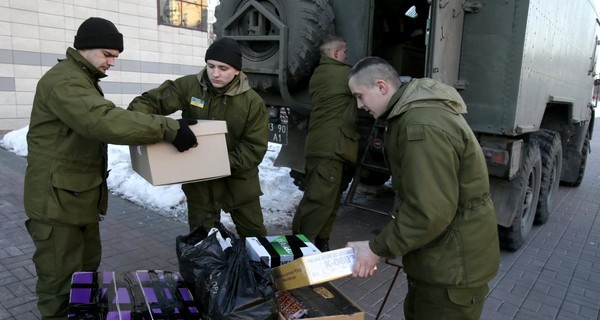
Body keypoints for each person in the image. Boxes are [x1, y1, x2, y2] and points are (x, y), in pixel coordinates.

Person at [23, 17, 198, 319]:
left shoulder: (81, 79)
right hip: (56, 208)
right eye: (107, 53)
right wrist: (167, 128)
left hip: (76, 201)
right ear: (86, 48)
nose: (112, 62)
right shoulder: (65, 82)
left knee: (85, 282)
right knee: (60, 289)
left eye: (115, 56)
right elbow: (103, 121)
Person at [346, 56, 500, 319]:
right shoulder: (412, 114)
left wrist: (376, 249)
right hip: (440, 263)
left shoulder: (421, 125)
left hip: (451, 270)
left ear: (381, 87)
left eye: (360, 96)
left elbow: (429, 211)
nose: (360, 105)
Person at [128, 37, 269, 237]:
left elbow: (254, 149)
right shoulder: (189, 87)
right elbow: (144, 104)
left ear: (237, 70)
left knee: (255, 239)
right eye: (210, 66)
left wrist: (216, 163)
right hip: (200, 186)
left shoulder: (252, 103)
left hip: (239, 184)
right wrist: (167, 128)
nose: (215, 73)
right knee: (202, 243)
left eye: (223, 68)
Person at [291, 35, 359, 251]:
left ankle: (321, 242)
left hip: (328, 147)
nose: (347, 56)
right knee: (319, 201)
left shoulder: (321, 72)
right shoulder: (341, 75)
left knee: (328, 199)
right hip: (330, 148)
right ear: (337, 54)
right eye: (345, 52)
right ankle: (299, 249)